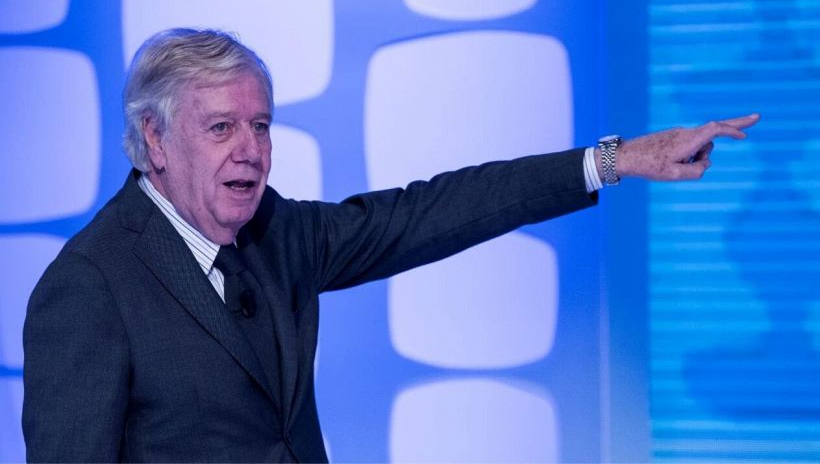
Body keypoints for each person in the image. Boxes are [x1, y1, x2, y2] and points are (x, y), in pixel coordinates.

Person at [22, 28, 759, 462]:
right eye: (221, 128)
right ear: (154, 138)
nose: (251, 150)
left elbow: (431, 212)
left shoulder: (277, 232)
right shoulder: (90, 286)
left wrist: (614, 160)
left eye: (261, 126)